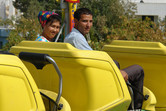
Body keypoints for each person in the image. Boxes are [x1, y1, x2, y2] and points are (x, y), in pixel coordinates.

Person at [64, 8, 144, 110]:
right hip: (97, 77)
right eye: (84, 21)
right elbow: (95, 60)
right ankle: (136, 108)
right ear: (75, 21)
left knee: (115, 63)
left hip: (87, 75)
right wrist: (117, 73)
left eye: (90, 21)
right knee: (138, 69)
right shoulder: (76, 38)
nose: (88, 25)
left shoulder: (72, 36)